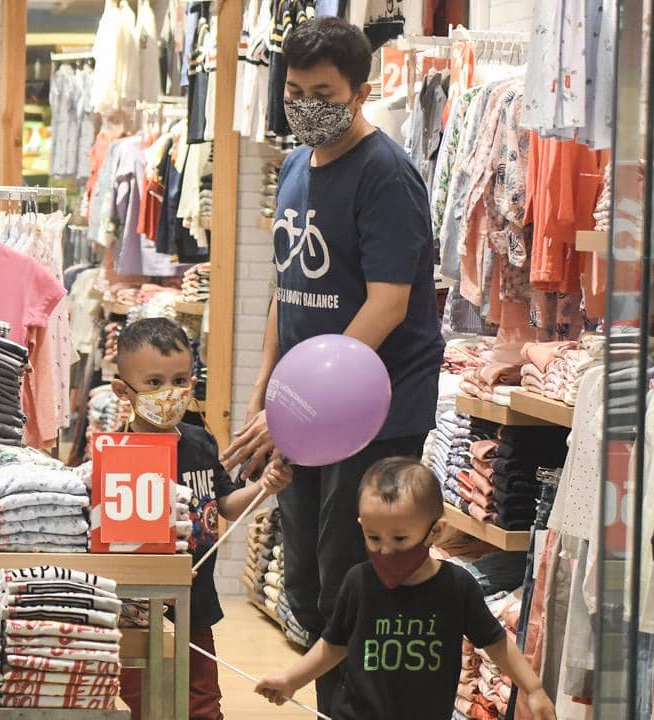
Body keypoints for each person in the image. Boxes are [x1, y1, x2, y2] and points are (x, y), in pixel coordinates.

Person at [220, 15, 445, 714]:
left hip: (373, 411)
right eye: (294, 92)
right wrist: (265, 389)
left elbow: (388, 303)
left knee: (356, 578)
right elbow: (286, 291)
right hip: (306, 409)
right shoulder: (295, 167)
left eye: (323, 94)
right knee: (310, 585)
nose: (306, 107)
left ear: (360, 92)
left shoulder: (386, 174)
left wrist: (303, 407)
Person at [255, 458, 557, 720]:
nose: (385, 551)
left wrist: (533, 689)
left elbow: (497, 643)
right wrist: (291, 680)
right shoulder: (358, 582)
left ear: (435, 531)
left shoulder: (456, 587)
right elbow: (333, 645)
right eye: (373, 538)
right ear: (361, 525)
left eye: (399, 539)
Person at [111, 317, 292, 720]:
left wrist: (265, 487)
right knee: (137, 692)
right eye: (154, 383)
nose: (169, 392)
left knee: (203, 695)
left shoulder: (199, 442)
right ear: (124, 390)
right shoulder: (115, 452)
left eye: (179, 380)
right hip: (134, 601)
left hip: (196, 592)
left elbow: (226, 505)